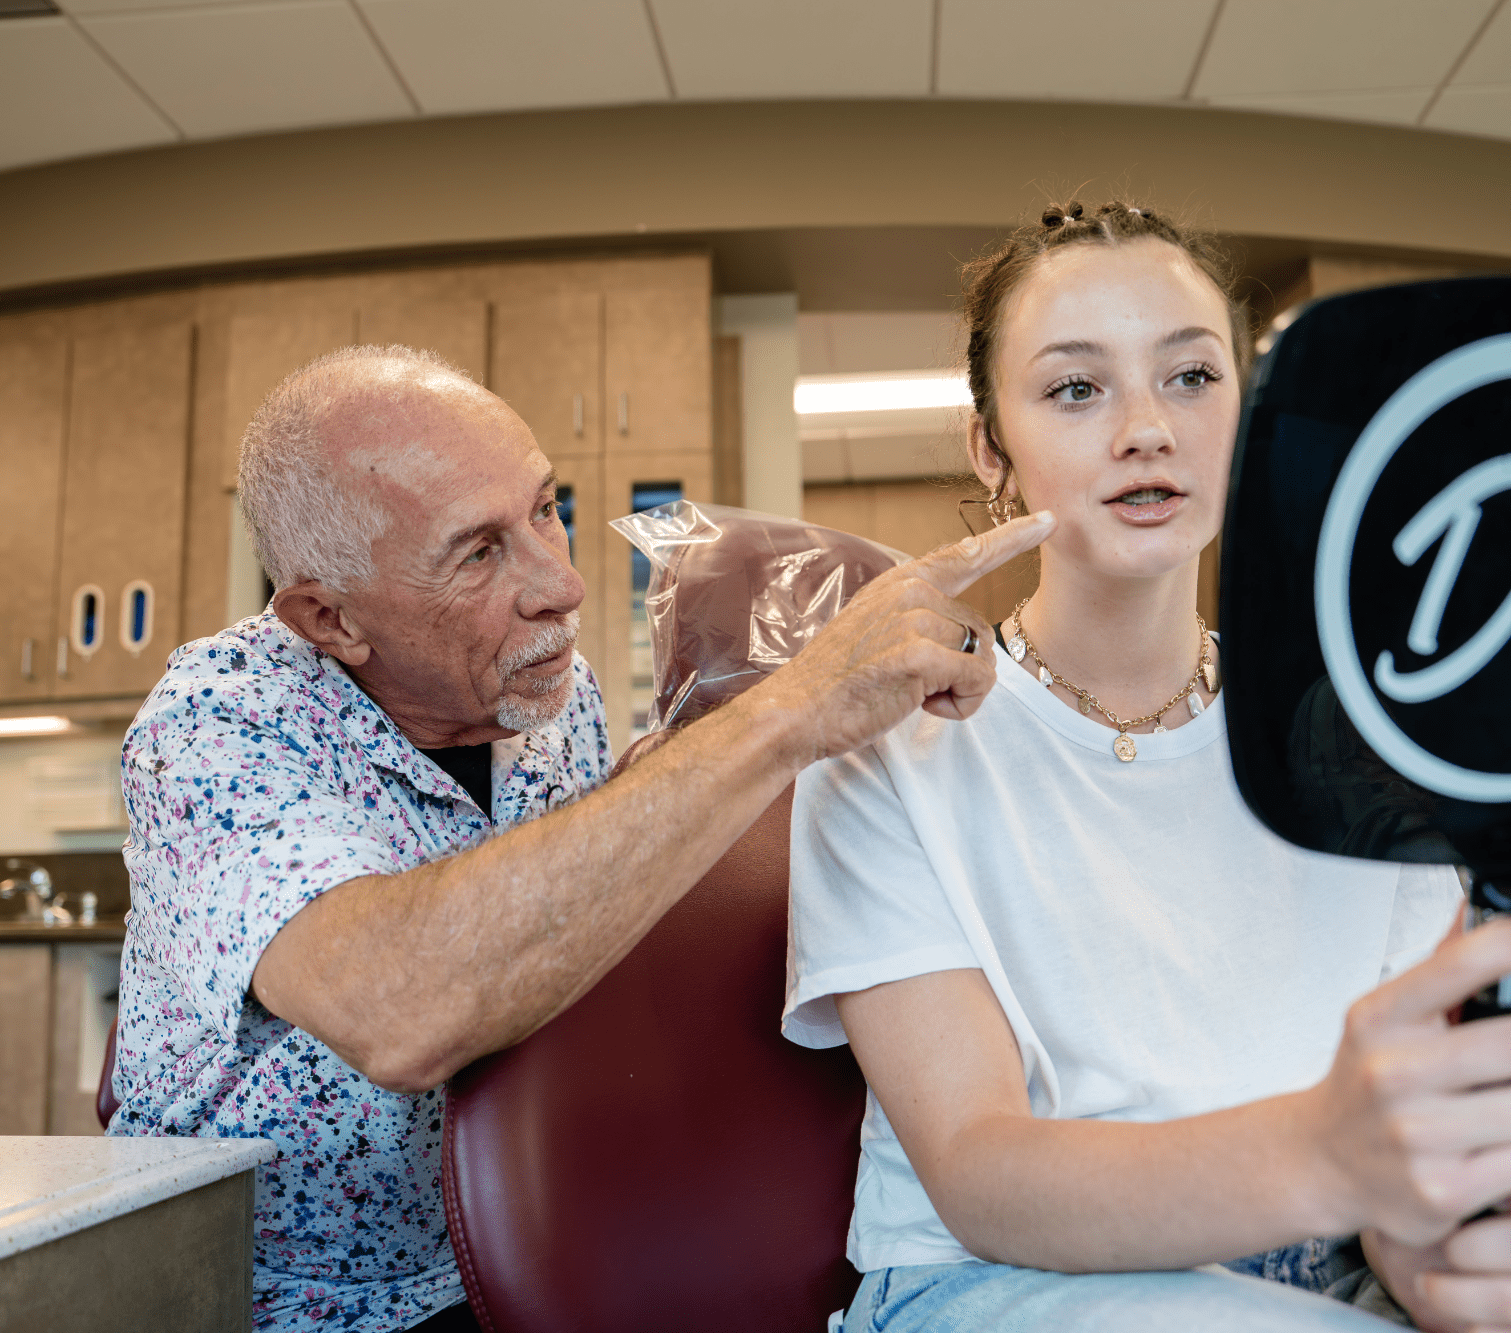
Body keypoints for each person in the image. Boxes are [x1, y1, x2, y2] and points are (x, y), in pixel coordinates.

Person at [783, 201, 1511, 1332]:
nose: (1143, 430)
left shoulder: (1365, 752)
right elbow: (978, 1174)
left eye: (1191, 377)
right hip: (1001, 1286)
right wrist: (1324, 1157)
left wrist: (1436, 1261)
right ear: (991, 449)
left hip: (1326, 1276)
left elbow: (1399, 1177)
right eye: (1075, 388)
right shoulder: (887, 755)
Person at [107, 344, 1054, 1332]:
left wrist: (673, 789)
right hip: (279, 1301)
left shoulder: (551, 698)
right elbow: (399, 1008)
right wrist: (791, 710)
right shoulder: (218, 717)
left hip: (516, 1266)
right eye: (478, 552)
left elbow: (567, 913)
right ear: (330, 617)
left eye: (544, 509)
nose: (560, 583)